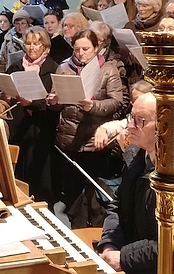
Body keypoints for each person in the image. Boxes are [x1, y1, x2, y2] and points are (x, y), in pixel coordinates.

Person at [48, 29, 126, 212]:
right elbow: (56, 105)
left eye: (86, 49)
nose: (81, 53)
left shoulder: (108, 69)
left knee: (92, 195)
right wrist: (53, 102)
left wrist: (94, 106)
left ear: (96, 47)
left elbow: (117, 102)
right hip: (69, 137)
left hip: (94, 140)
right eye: (77, 49)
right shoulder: (64, 67)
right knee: (70, 191)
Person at [97, 92, 158, 274]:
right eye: (132, 117)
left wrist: (124, 257)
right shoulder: (135, 156)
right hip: (134, 261)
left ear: (164, 126)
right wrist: (109, 244)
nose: (130, 126)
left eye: (140, 120)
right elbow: (117, 205)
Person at [4, 26, 59, 205]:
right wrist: (5, 96)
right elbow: (6, 93)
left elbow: (53, 102)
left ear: (45, 46)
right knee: (19, 171)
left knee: (40, 176)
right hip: (19, 126)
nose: (31, 47)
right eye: (28, 43)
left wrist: (32, 103)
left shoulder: (54, 68)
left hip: (41, 127)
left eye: (36, 43)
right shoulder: (15, 67)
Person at [93, 79, 154, 151]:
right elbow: (121, 124)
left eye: (140, 99)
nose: (130, 125)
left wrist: (126, 149)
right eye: (133, 101)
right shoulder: (132, 119)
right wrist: (103, 129)